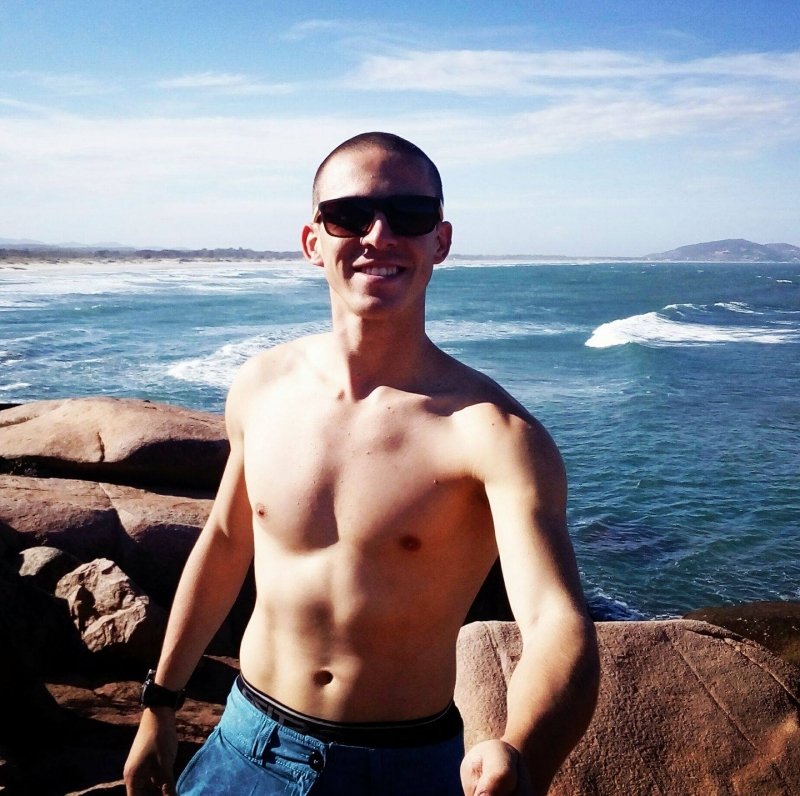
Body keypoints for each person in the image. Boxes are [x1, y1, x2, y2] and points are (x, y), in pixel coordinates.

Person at [124, 132, 599, 796]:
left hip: (401, 767)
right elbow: (227, 544)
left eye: (410, 214)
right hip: (244, 742)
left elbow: (555, 620)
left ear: (441, 240)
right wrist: (160, 704)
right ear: (313, 240)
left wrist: (522, 753)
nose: (379, 235)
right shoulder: (261, 388)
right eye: (349, 215)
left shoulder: (494, 433)